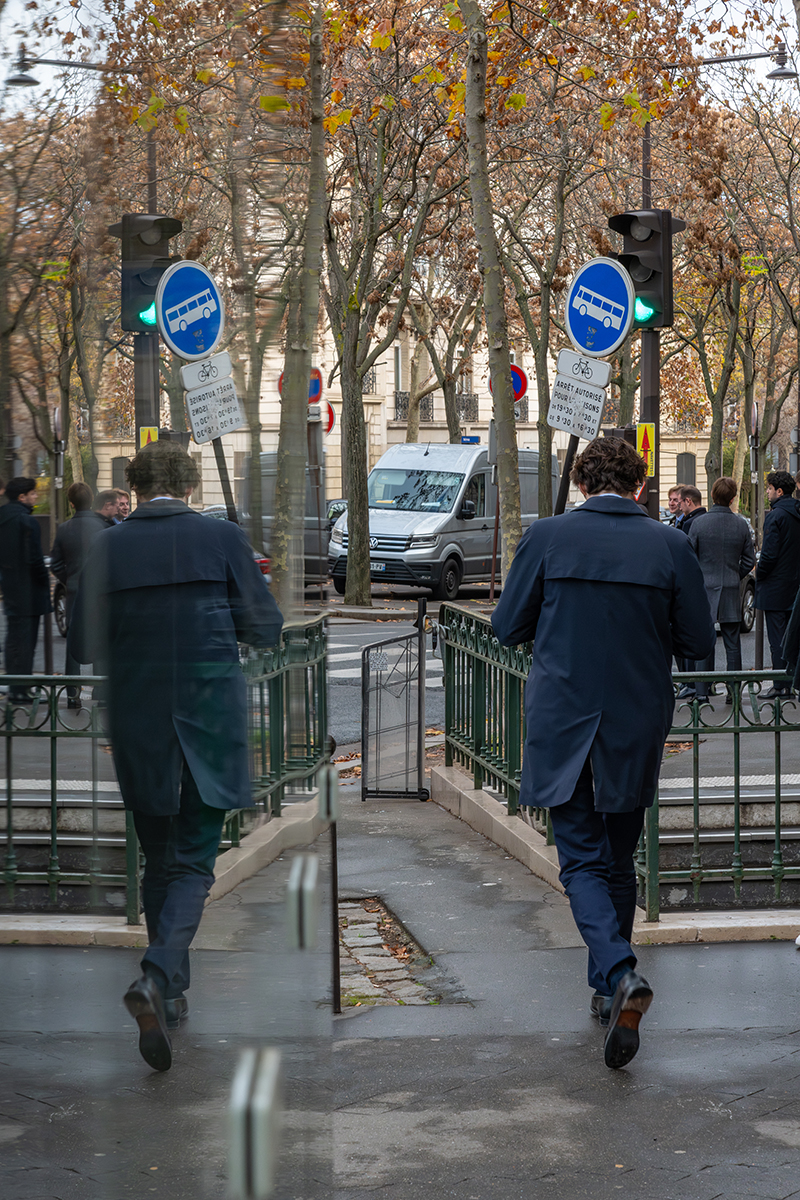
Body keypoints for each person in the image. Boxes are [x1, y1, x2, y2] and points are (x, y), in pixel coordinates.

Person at [491, 437, 714, 1069]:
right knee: (617, 858)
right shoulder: (669, 544)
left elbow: (507, 627)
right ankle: (604, 990)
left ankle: (618, 973)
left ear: (583, 484)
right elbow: (698, 640)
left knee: (581, 861)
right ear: (639, 486)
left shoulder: (547, 536)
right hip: (636, 719)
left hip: (564, 717)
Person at [69, 442, 283, 1072]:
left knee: (158, 856)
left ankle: (172, 993)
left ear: (134, 488)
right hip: (209, 715)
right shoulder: (222, 538)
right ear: (190, 485)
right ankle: (157, 977)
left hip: (138, 718)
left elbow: (82, 643)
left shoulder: (108, 547)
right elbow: (264, 627)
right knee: (194, 859)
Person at [685, 477, 755, 702]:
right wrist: (735, 574)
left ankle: (702, 692)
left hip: (705, 588)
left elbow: (689, 557)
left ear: (712, 495)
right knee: (732, 644)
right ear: (732, 498)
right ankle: (733, 693)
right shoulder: (740, 524)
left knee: (704, 641)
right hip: (731, 587)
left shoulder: (699, 523)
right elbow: (749, 559)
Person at [49, 483, 106, 709]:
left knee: (73, 644)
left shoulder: (64, 529)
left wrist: (70, 579)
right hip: (99, 591)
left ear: (71, 504)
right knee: (101, 639)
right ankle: (100, 692)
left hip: (74, 591)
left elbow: (55, 563)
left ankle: (73, 695)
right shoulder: (102, 526)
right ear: (91, 500)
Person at [0, 477, 52, 701]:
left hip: (10, 587)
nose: (36, 496)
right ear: (22, 497)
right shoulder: (27, 522)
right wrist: (44, 582)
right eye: (32, 493)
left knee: (14, 639)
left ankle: (15, 686)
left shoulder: (3, 518)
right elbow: (35, 559)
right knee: (26, 641)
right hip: (29, 591)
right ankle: (21, 691)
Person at [755, 470, 800, 699]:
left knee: (777, 639)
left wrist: (759, 572)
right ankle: (792, 682)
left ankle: (780, 685)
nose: (768, 492)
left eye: (770, 489)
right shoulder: (797, 512)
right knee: (793, 637)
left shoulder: (775, 516)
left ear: (779, 491)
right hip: (795, 584)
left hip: (775, 587)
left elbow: (769, 555)